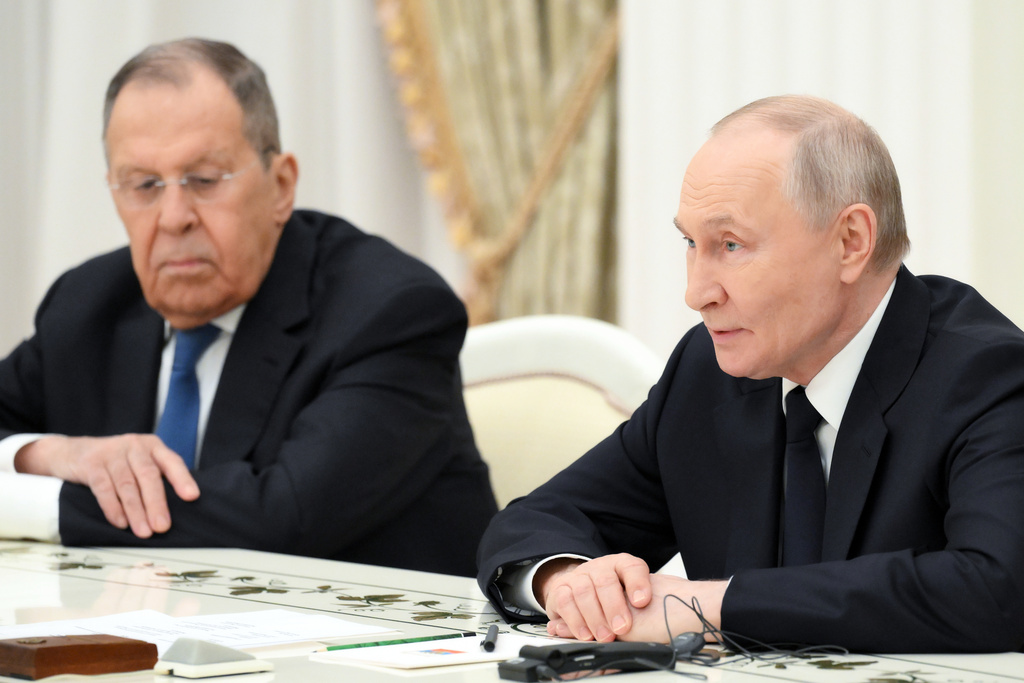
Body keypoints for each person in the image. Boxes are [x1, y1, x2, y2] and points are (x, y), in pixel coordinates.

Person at [477, 95, 1024, 652]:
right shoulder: (707, 371)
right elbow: (540, 518)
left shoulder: (987, 376)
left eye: (731, 245)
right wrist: (567, 581)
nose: (696, 294)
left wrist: (703, 608)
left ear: (850, 242)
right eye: (691, 243)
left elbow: (998, 587)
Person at [0, 38, 497, 577]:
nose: (172, 217)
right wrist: (49, 457)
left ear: (281, 185)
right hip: (146, 640)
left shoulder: (391, 311)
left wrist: (29, 503)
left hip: (380, 648)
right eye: (143, 185)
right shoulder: (89, 303)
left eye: (204, 180)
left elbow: (281, 517)